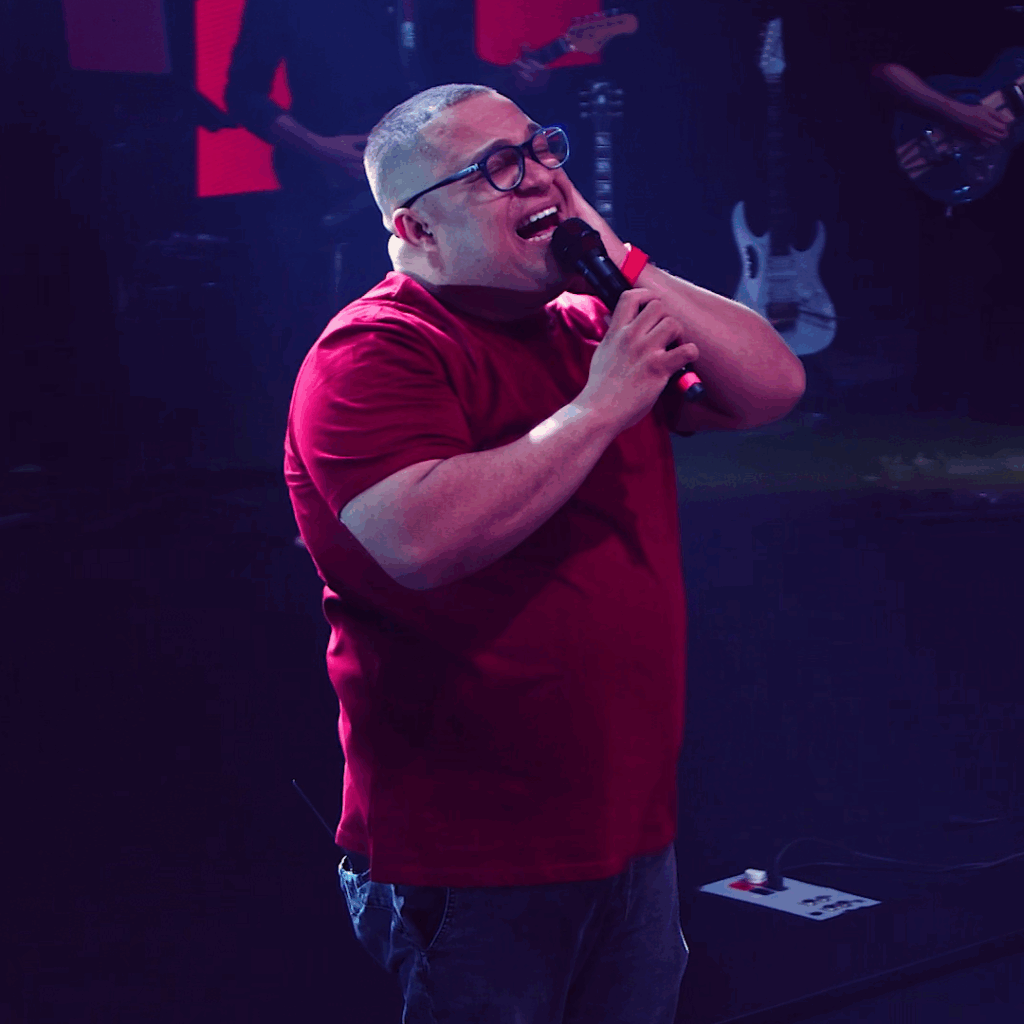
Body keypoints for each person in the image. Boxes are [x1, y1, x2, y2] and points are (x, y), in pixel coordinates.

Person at [283, 83, 805, 1023]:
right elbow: (421, 541)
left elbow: (771, 386)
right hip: (472, 854)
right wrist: (600, 408)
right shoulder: (375, 350)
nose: (540, 179)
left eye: (540, 149)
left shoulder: (587, 320)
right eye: (495, 168)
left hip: (629, 831)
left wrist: (616, 254)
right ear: (415, 226)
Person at [856, 0, 1024, 417]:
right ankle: (945, 396)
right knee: (956, 285)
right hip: (949, 161)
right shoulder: (944, 12)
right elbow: (883, 71)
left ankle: (1006, 400)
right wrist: (959, 114)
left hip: (1010, 173)